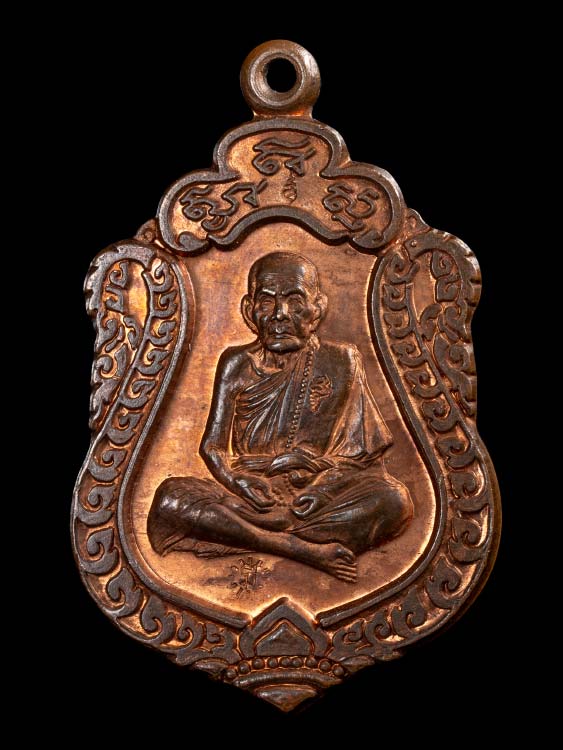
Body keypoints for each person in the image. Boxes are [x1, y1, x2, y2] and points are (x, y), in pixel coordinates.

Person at [148, 252, 412, 582]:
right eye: (267, 301)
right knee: (170, 497)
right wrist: (237, 481)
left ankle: (250, 537)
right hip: (250, 498)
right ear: (249, 310)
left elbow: (364, 457)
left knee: (395, 500)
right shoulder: (236, 364)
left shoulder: (341, 360)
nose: (280, 314)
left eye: (295, 300)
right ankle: (300, 549)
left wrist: (319, 490)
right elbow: (212, 447)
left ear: (317, 309)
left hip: (314, 495)